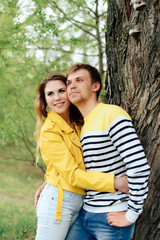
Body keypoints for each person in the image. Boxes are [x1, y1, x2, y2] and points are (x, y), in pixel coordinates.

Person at [34, 73, 129, 240]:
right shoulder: (50, 130)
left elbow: (82, 162)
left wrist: (50, 179)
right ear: (44, 100)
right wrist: (114, 182)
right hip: (58, 202)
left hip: (79, 202)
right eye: (50, 94)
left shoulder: (80, 122)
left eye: (61, 90)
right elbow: (72, 174)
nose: (57, 97)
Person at [65, 63, 150, 240]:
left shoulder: (111, 114)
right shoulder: (81, 126)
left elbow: (139, 166)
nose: (72, 85)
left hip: (111, 216)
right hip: (84, 214)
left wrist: (131, 214)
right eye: (68, 82)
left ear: (95, 86)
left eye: (79, 80)